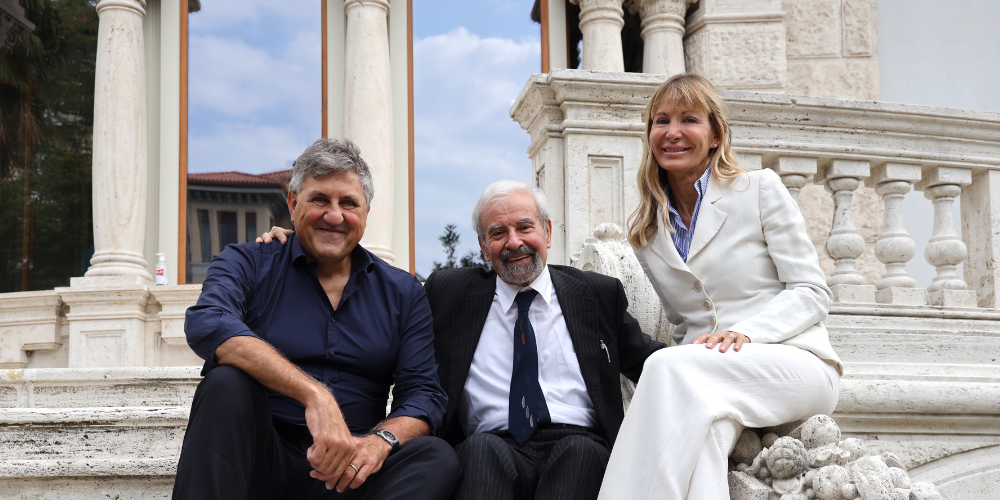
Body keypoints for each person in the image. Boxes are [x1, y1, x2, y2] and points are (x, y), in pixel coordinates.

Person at [259, 180, 666, 500]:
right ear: (482, 247)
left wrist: (712, 350)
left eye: (525, 227)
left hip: (579, 443)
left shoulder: (595, 293)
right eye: (498, 233)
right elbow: (370, 285)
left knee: (580, 454)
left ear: (547, 230)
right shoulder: (447, 291)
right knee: (479, 452)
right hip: (488, 444)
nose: (514, 242)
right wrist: (298, 242)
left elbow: (649, 362)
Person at [596, 74, 844, 500]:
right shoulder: (646, 231)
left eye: (688, 119)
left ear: (715, 134)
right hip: (712, 375)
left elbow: (811, 291)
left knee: (663, 367)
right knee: (704, 436)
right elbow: (682, 324)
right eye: (660, 121)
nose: (672, 133)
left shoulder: (759, 189)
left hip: (794, 362)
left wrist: (748, 333)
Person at [173, 138, 460, 500]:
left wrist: (379, 441)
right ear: (293, 204)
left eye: (349, 203)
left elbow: (423, 394)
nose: (335, 216)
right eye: (320, 200)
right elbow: (209, 323)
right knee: (225, 384)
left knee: (436, 456)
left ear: (366, 212)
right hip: (261, 460)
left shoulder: (403, 291)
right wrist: (315, 396)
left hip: (354, 472)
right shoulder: (246, 262)